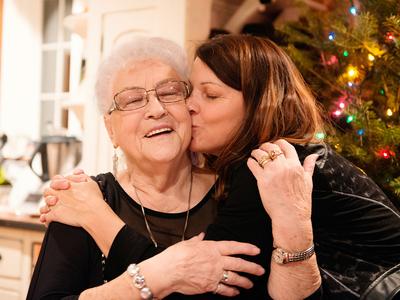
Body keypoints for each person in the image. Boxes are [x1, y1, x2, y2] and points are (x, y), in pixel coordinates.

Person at [41, 34, 400, 299]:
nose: (161, 109)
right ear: (110, 128)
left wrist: (100, 221)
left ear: (259, 106)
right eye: (133, 100)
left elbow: (207, 289)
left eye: (171, 92)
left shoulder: (266, 168)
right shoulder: (83, 197)